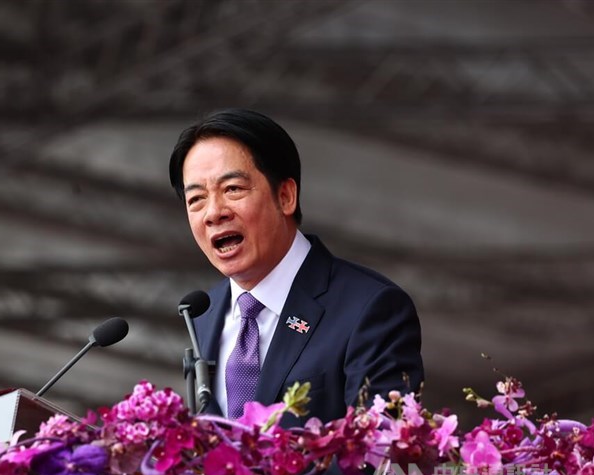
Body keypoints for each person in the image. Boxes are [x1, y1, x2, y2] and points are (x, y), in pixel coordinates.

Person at [168, 108, 424, 429]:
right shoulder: (204, 314)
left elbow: (380, 456)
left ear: (286, 196)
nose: (213, 213)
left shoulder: (371, 309)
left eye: (232, 189)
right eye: (196, 199)